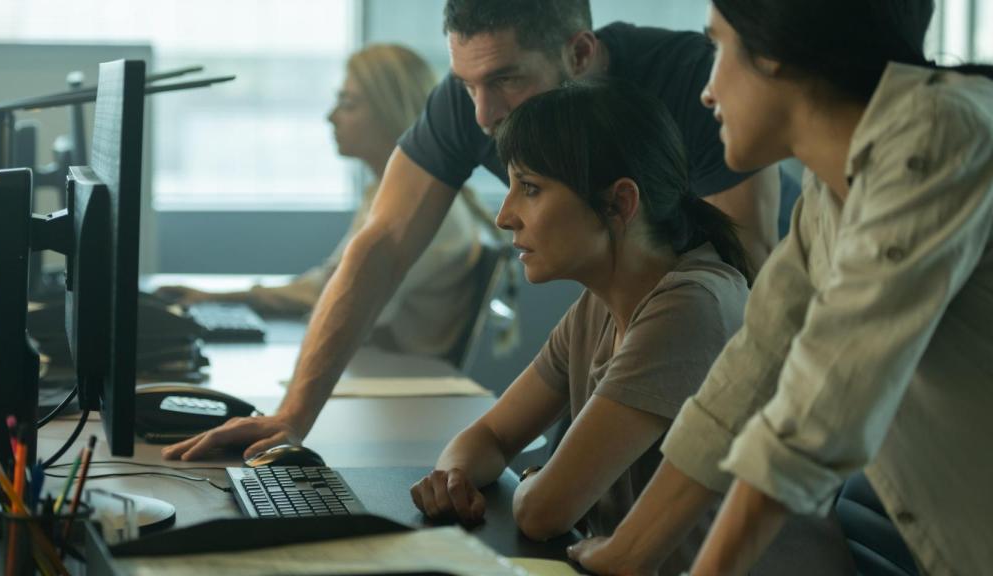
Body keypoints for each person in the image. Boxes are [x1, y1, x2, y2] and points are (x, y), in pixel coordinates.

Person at [162, 0, 780, 463]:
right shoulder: (472, 103)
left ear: (581, 54)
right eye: (467, 83)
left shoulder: (695, 82)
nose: (484, 115)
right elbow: (380, 245)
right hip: (619, 329)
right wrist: (295, 414)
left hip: (734, 339)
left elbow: (743, 274)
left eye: (508, 80)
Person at [568, 1, 993, 575]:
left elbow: (819, 405)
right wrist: (625, 554)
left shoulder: (938, 133)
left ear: (772, 53)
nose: (706, 92)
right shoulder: (827, 192)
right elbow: (746, 377)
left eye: (718, 48)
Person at [410, 80, 750, 572]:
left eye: (530, 188)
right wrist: (456, 476)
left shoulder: (690, 306)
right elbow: (490, 437)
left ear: (619, 203)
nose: (505, 216)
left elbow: (545, 511)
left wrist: (532, 476)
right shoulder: (599, 304)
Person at [156, 44, 487, 358]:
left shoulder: (427, 211)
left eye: (348, 104)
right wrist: (224, 298)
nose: (331, 117)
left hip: (397, 380)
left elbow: (348, 301)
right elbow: (330, 283)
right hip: (375, 365)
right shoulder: (382, 194)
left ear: (389, 112)